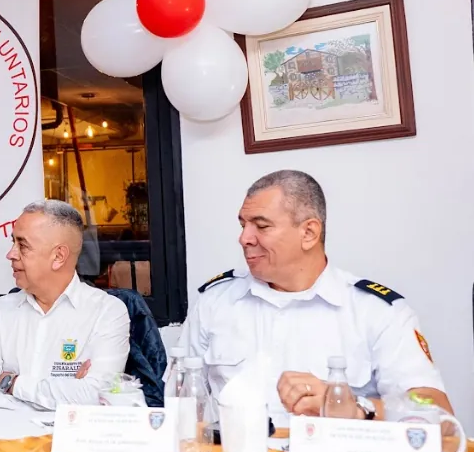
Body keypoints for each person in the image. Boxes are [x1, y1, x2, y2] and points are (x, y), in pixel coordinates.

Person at [180, 170, 452, 424]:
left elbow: (436, 411)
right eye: (243, 225)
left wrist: (354, 406)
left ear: (309, 233)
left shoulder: (377, 311)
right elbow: (180, 401)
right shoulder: (214, 302)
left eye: (261, 226)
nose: (244, 238)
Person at [0, 200, 130, 411]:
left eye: (23, 245)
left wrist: (12, 383)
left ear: (58, 256)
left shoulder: (107, 312)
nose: (11, 254)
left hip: (71, 442)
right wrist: (65, 396)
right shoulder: (2, 310)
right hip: (6, 441)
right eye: (13, 243)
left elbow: (97, 397)